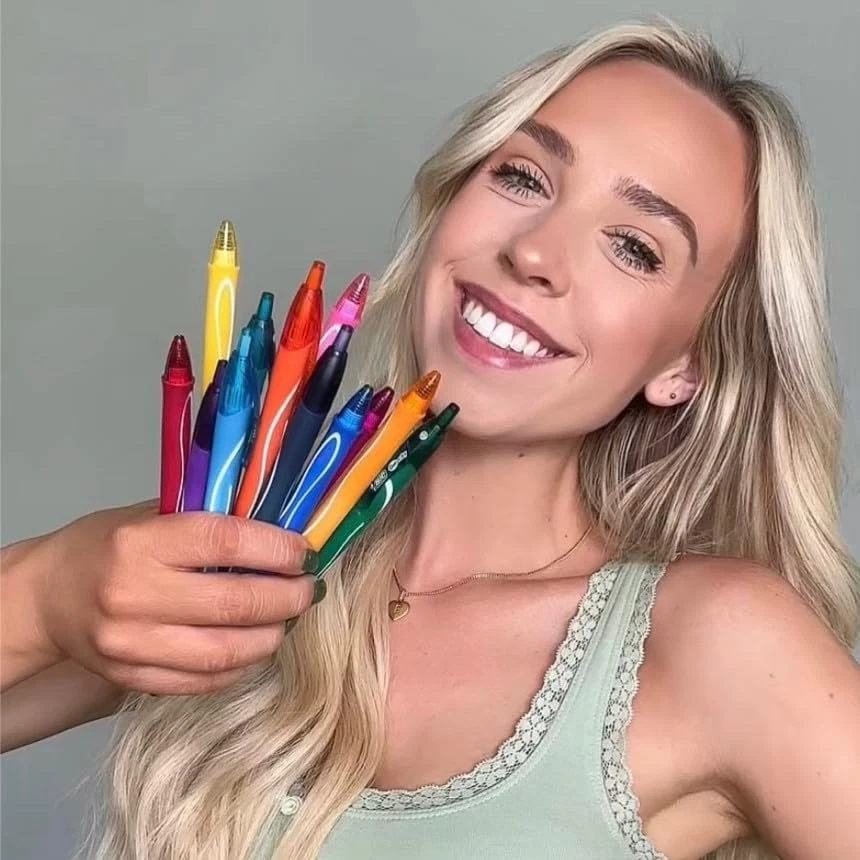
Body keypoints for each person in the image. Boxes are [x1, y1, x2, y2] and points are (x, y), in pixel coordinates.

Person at [2, 18, 859, 860]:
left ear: (685, 363)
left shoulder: (719, 644)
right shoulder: (245, 548)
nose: (535, 253)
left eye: (634, 248)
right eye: (523, 176)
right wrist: (46, 595)